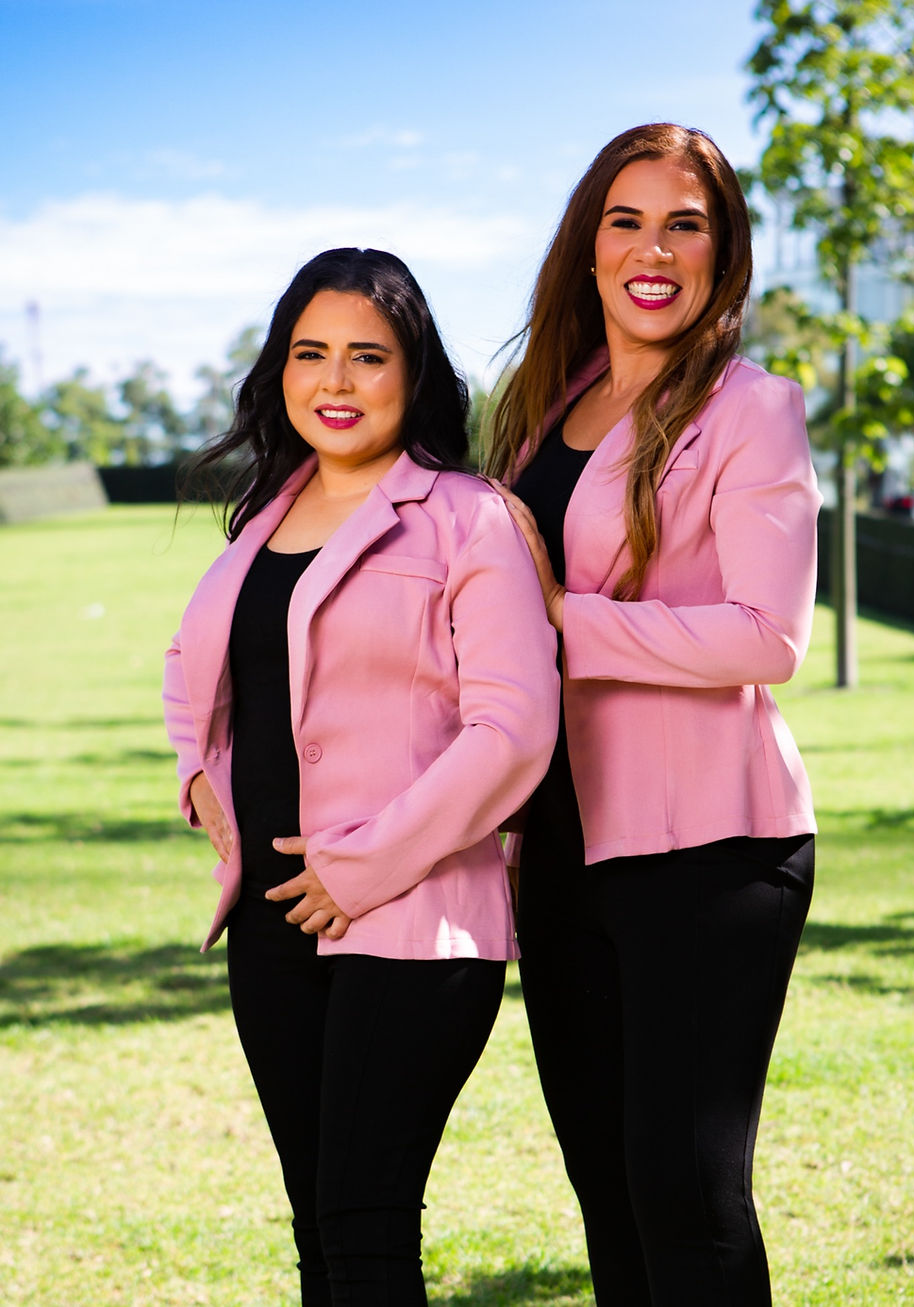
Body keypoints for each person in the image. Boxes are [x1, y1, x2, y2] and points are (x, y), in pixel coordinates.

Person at [163, 247, 559, 1305]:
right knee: (318, 1234)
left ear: (413, 374)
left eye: (366, 356)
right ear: (278, 371)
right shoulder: (261, 518)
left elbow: (514, 726)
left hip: (413, 920)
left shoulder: (468, 517)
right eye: (310, 353)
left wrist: (362, 865)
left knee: (365, 1227)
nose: (334, 382)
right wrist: (198, 773)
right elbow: (194, 661)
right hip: (271, 927)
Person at [487, 124, 821, 1307]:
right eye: (625, 220)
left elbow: (765, 634)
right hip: (560, 844)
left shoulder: (752, 408)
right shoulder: (543, 405)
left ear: (723, 253)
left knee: (684, 1189)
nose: (652, 248)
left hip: (710, 846)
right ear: (585, 248)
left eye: (686, 223)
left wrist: (564, 616)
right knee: (608, 1190)